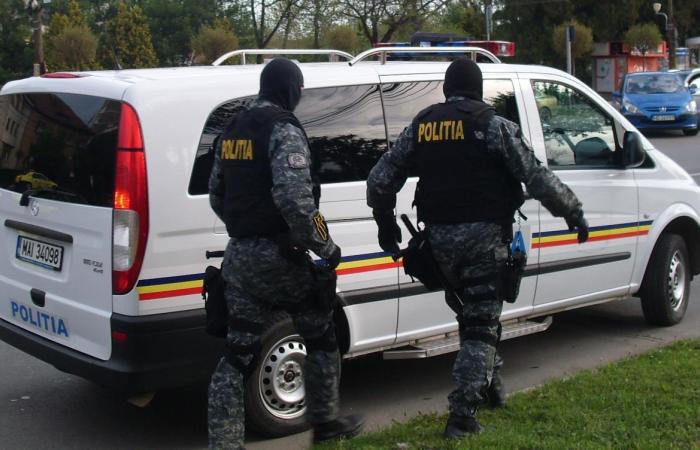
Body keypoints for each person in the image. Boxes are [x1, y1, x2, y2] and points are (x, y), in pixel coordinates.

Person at [366, 58, 589, 439]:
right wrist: (573, 211)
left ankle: (490, 386)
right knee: (481, 327)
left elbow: (379, 180)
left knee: (473, 318)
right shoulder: (493, 126)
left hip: (438, 245)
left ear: (447, 89)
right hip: (484, 243)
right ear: (478, 90)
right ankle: (462, 417)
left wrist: (386, 228)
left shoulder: (422, 126)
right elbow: (535, 176)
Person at [207, 58, 364, 450]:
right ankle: (325, 422)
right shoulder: (283, 128)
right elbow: (295, 201)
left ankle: (224, 444)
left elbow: (216, 194)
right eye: (299, 88)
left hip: (239, 258)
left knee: (237, 354)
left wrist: (244, 228)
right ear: (290, 89)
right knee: (321, 333)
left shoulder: (232, 128)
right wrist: (326, 248)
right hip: (281, 258)